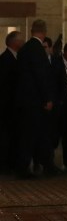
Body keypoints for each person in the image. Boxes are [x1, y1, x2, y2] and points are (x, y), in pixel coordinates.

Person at [14, 20, 62, 178]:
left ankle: (44, 164)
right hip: (36, 102)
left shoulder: (25, 49)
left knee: (32, 134)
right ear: (44, 32)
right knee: (34, 134)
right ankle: (27, 168)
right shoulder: (38, 49)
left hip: (25, 100)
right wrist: (47, 98)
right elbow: (41, 76)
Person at [0, 31, 23, 171]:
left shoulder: (14, 58)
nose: (23, 42)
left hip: (11, 106)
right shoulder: (5, 59)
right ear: (14, 42)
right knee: (6, 136)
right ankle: (5, 164)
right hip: (7, 106)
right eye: (21, 40)